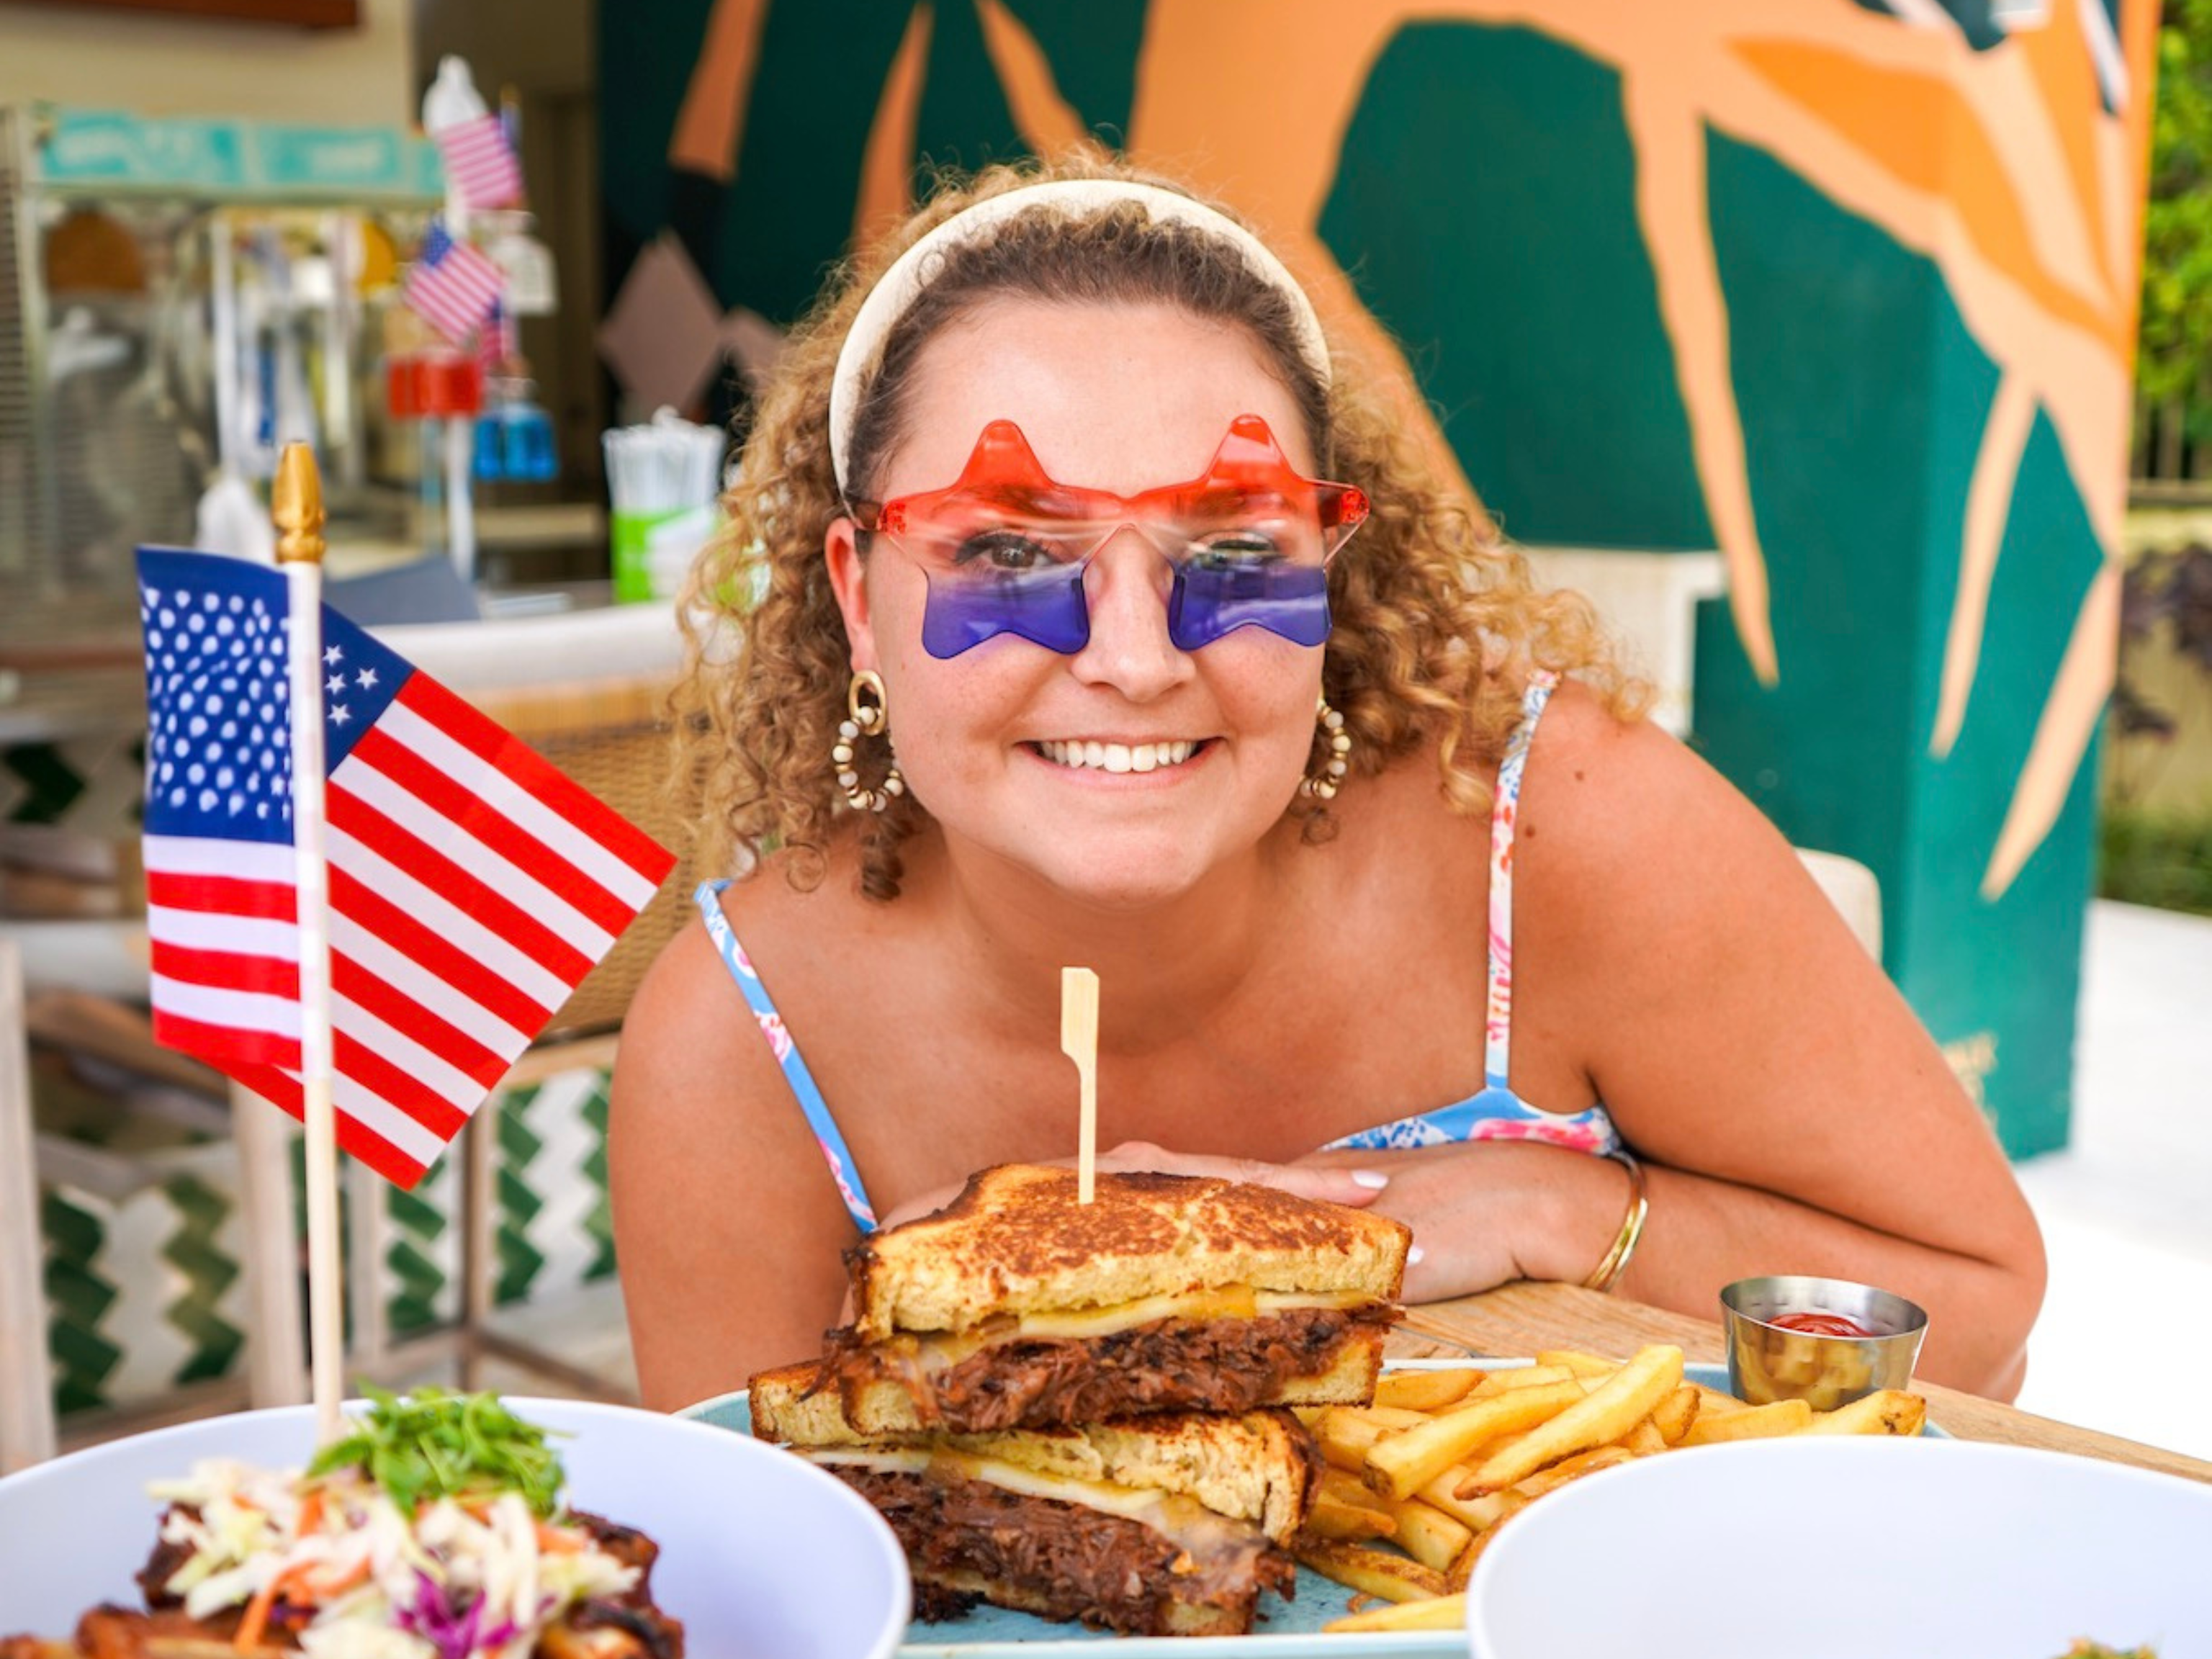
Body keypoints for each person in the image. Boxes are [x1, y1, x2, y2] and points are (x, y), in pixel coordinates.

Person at [610, 153, 2045, 1412]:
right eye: (1006, 550)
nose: (1134, 655)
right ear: (859, 600)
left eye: (1232, 545)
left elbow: (1978, 1314)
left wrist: (1555, 1205)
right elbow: (769, 1577)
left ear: (1329, 569)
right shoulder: (740, 1049)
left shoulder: (1548, 824)